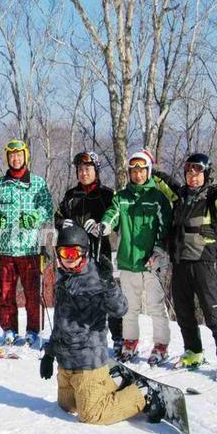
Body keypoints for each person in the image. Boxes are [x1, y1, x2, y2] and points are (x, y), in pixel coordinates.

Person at [39, 225, 163, 425]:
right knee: (67, 406)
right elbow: (61, 322)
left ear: (84, 253)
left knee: (91, 415)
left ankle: (143, 394)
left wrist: (109, 284)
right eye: (64, 252)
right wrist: (50, 353)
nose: (69, 258)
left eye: (74, 253)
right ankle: (112, 381)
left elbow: (120, 309)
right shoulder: (63, 276)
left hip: (88, 361)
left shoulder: (96, 278)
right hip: (67, 362)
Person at [153, 151, 217, 378]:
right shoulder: (180, 196)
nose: (192, 177)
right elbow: (164, 183)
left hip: (204, 262)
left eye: (197, 172)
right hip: (181, 262)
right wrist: (151, 168)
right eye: (188, 172)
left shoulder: (214, 197)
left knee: (212, 313)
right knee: (184, 312)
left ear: (205, 174)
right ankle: (193, 351)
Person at [92, 149, 172, 365]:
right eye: (133, 170)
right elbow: (113, 214)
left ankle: (161, 344)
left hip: (151, 263)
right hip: (128, 261)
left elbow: (165, 228)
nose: (137, 174)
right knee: (129, 307)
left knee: (156, 306)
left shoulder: (158, 199)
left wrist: (157, 251)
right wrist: (105, 225)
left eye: (141, 170)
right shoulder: (122, 198)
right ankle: (130, 342)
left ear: (148, 171)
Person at [54, 151, 123, 355]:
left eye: (87, 169)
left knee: (108, 293)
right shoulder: (71, 195)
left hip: (100, 252)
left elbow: (117, 219)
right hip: (75, 257)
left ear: (96, 170)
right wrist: (61, 224)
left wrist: (103, 226)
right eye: (80, 169)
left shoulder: (107, 195)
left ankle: (118, 337)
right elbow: (58, 216)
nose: (83, 173)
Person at [0, 139, 53, 345]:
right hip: (6, 248)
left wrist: (35, 216)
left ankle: (32, 330)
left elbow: (48, 207)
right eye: (12, 155)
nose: (16, 159)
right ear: (8, 158)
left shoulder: (37, 182)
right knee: (6, 293)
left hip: (30, 249)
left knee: (33, 294)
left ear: (25, 156)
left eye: (19, 155)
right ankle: (9, 329)